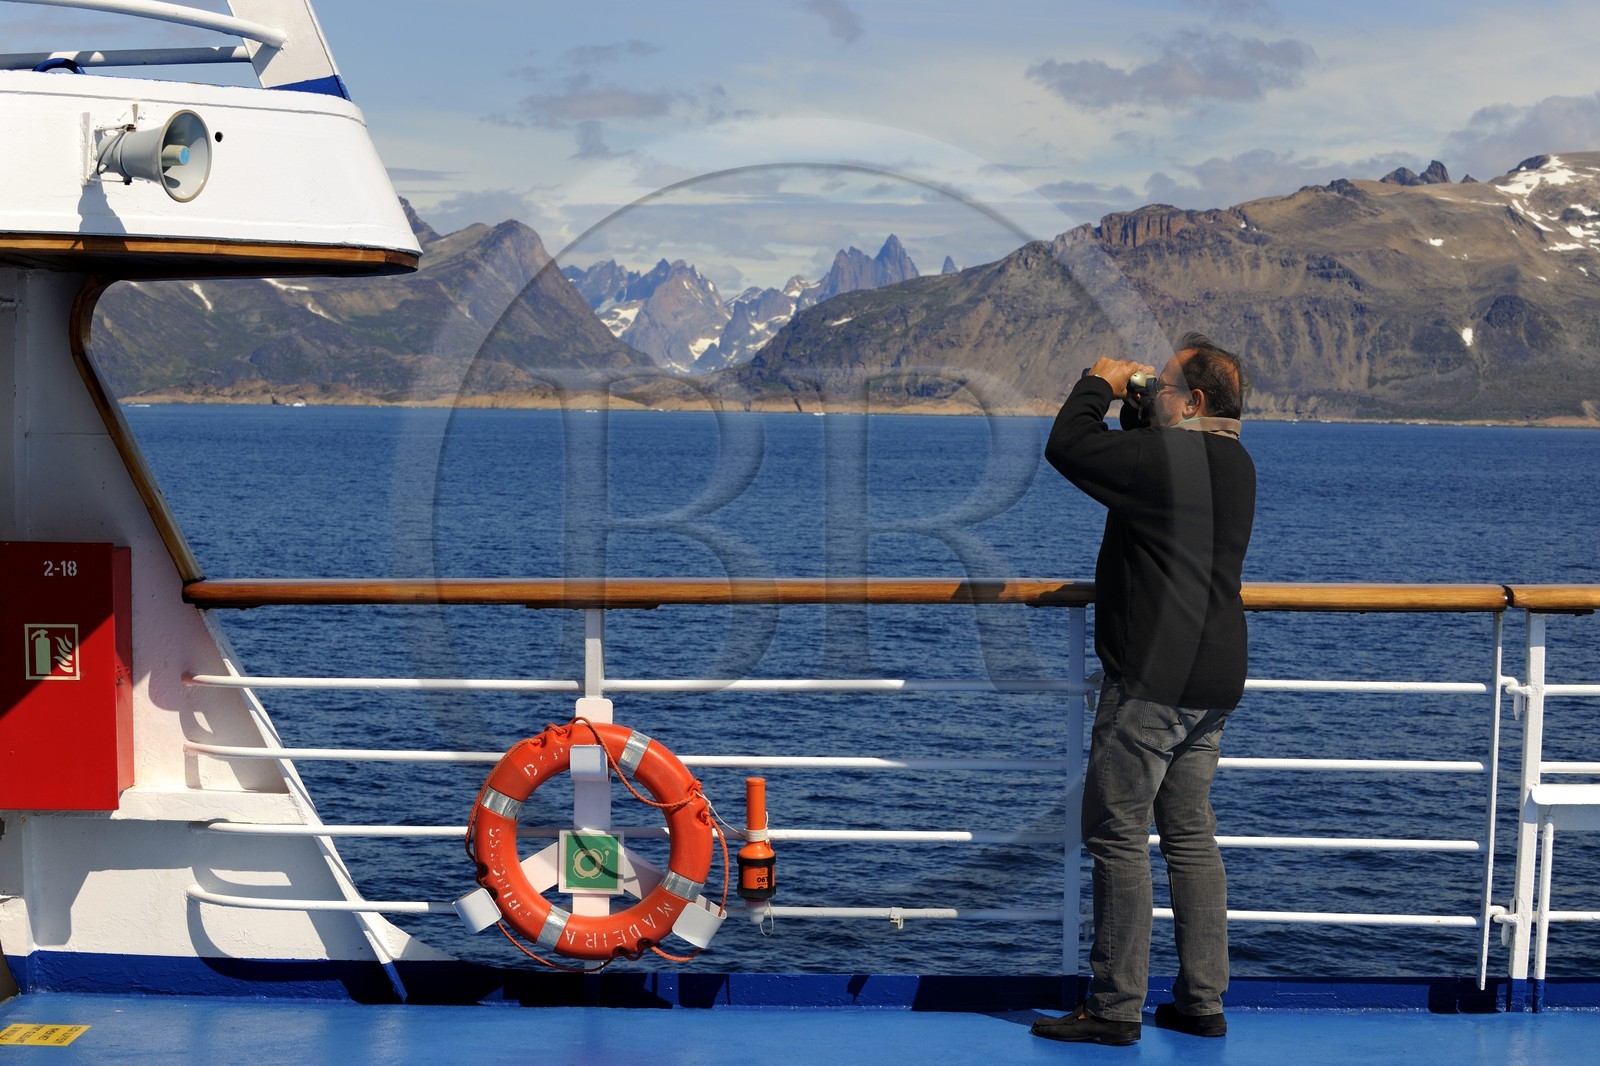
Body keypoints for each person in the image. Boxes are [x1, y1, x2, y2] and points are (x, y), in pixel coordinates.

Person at [1031, 332, 1256, 1046]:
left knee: (1116, 835)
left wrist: (1097, 380)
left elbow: (1068, 446)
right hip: (1214, 678)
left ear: (1191, 402)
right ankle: (1201, 1001)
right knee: (1190, 838)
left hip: (1153, 684)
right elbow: (1135, 459)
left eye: (1162, 387)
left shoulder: (1167, 461)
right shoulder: (1235, 463)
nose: (1149, 393)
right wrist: (1143, 399)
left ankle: (1114, 1007)